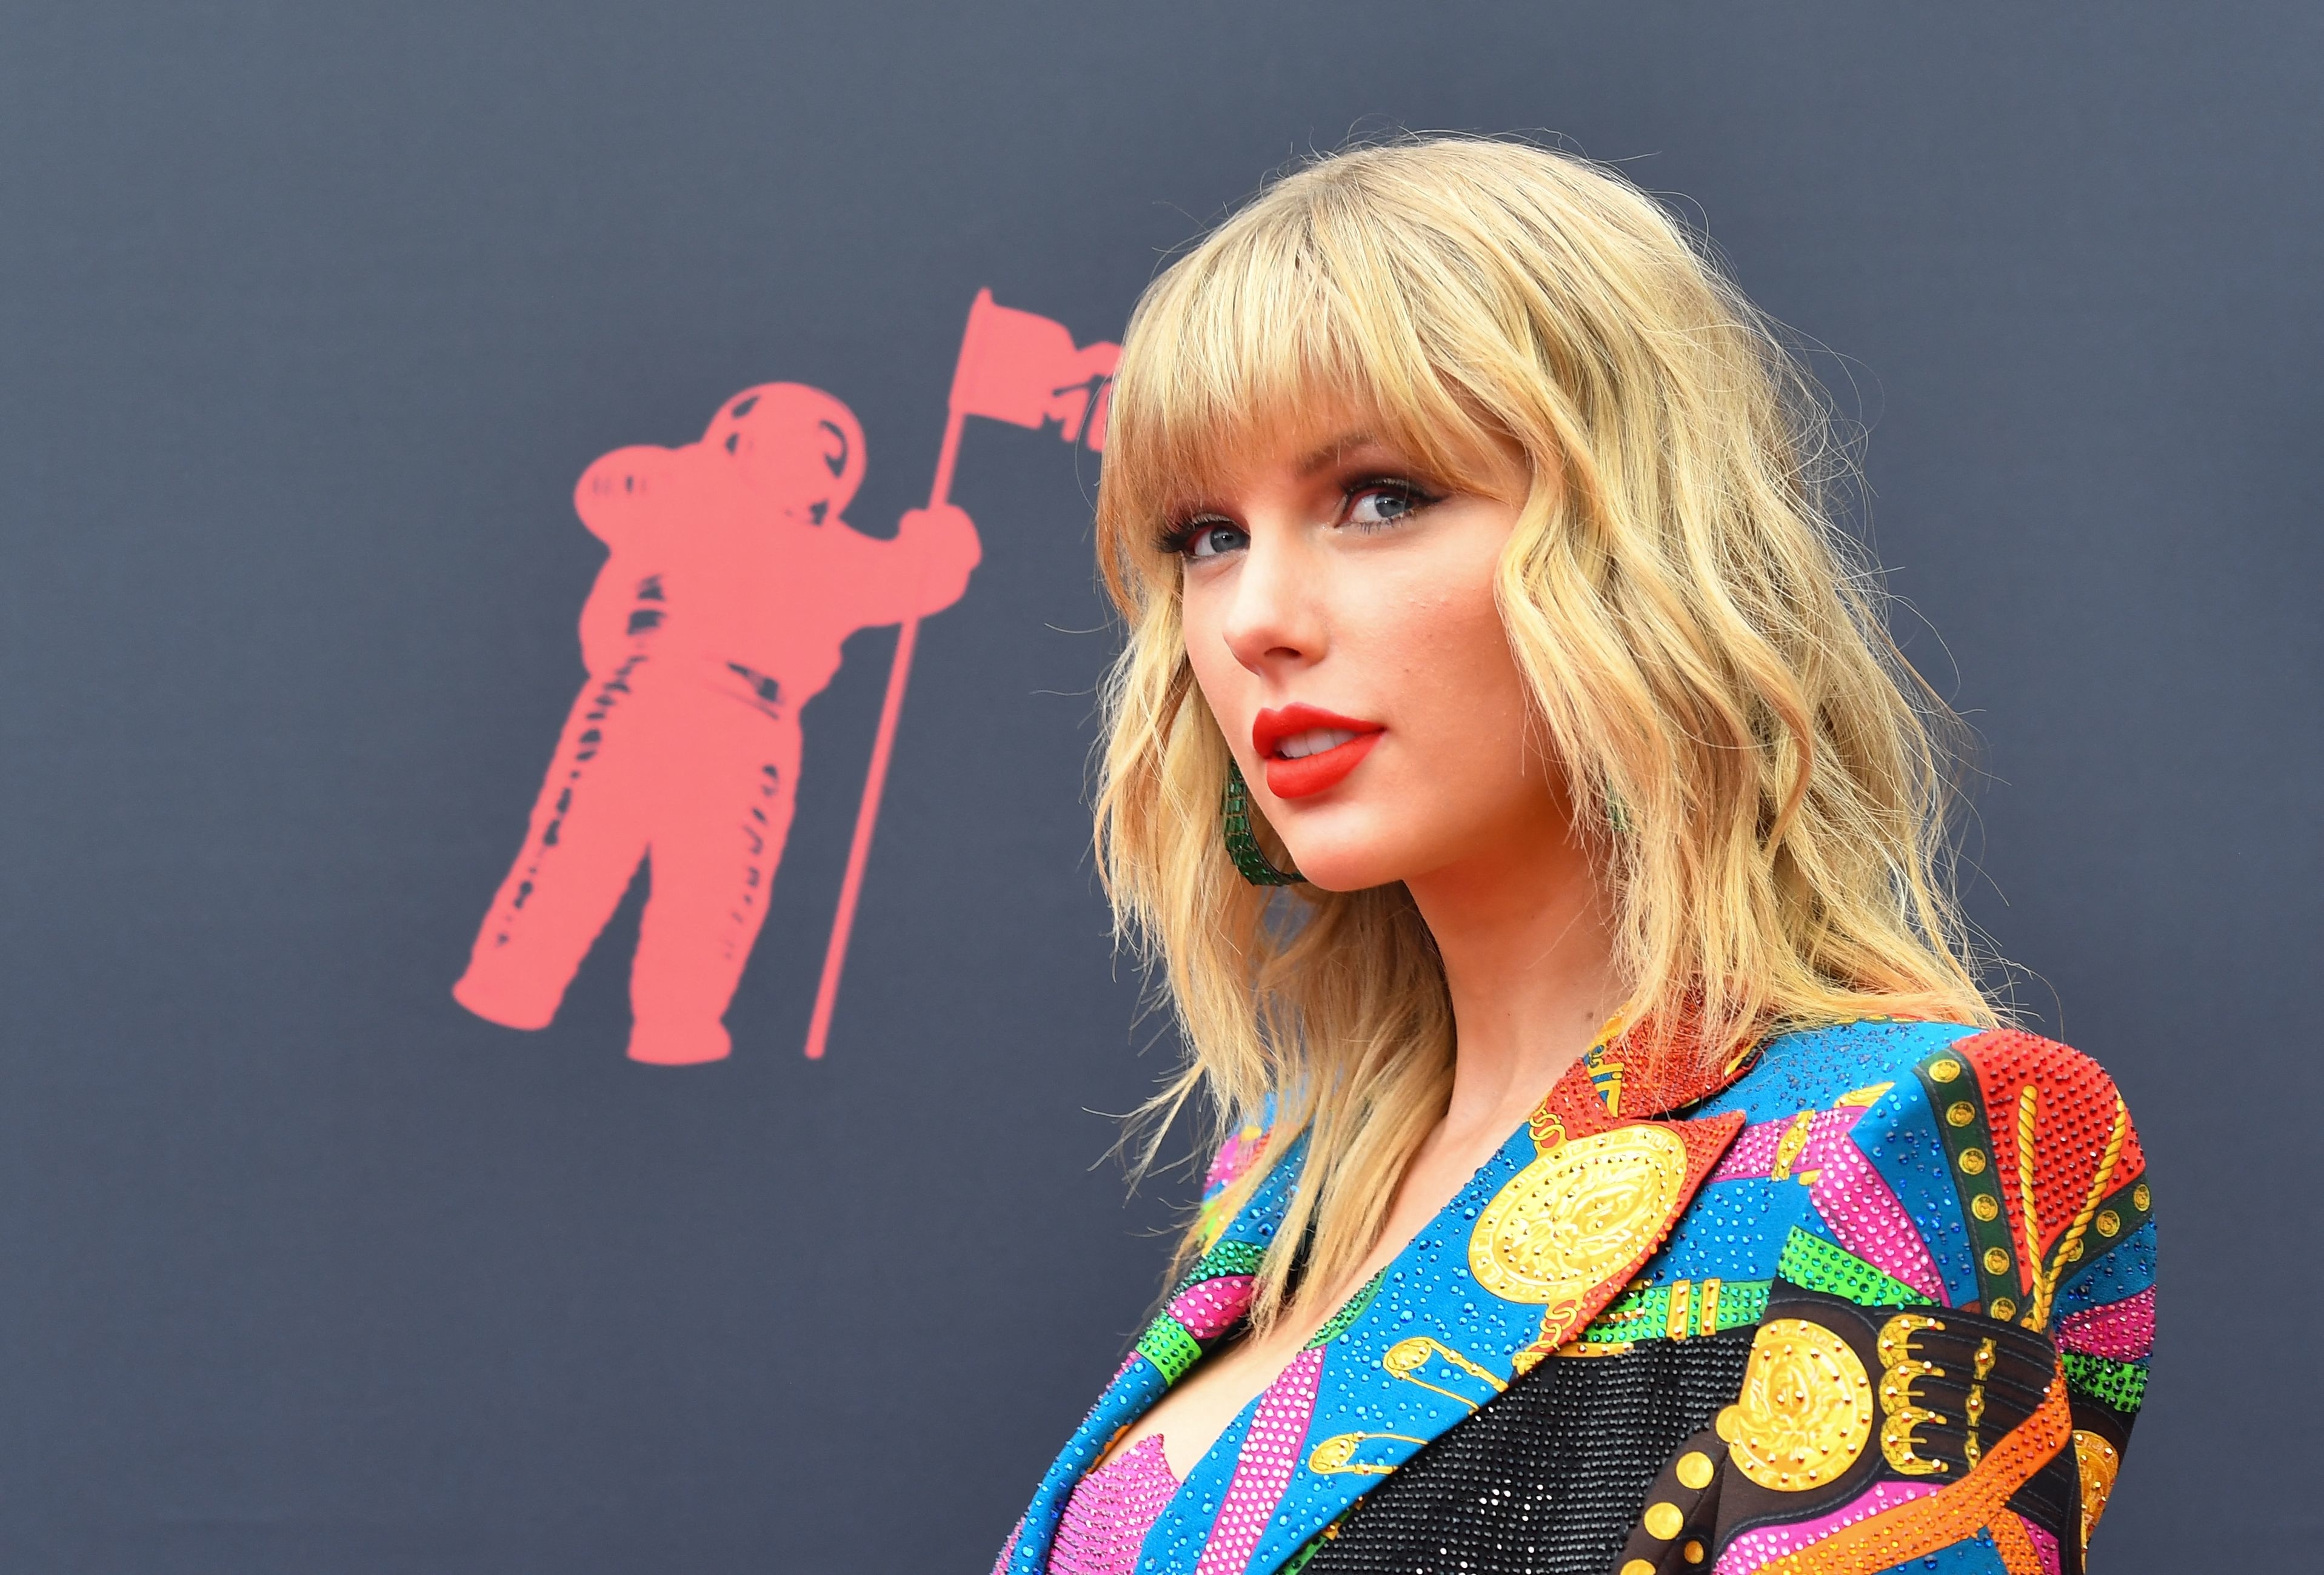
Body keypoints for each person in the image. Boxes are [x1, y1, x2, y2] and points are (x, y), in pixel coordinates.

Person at [993, 139, 2151, 1575]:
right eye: (1207, 534)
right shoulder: (1284, 1179)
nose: (1252, 618)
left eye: (1378, 497)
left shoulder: (1895, 1145)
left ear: (1627, 544)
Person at [453, 383, 980, 1065]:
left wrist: (940, 546)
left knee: (714, 883)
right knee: (580, 849)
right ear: (743, 439)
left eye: (831, 455)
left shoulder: (828, 553)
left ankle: (677, 1023)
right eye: (803, 441)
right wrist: (697, 471)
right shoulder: (682, 493)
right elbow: (603, 488)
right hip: (649, 689)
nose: (816, 461)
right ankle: (511, 986)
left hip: (750, 724)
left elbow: (908, 579)